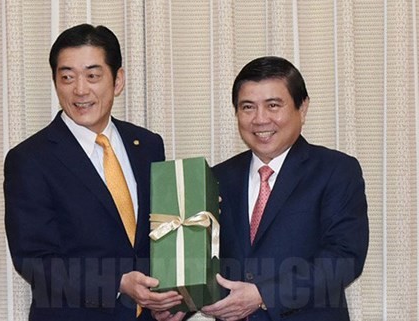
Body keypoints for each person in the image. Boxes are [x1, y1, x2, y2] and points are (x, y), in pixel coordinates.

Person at [154, 56, 369, 321]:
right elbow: (207, 264)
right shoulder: (216, 177)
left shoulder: (336, 170)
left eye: (273, 105)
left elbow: (344, 259)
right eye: (248, 107)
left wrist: (263, 295)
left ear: (302, 109)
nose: (260, 119)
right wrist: (180, 302)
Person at [4, 24, 181, 321]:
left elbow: (162, 235)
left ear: (118, 80)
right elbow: (34, 261)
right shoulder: (30, 159)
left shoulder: (147, 145)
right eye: (67, 77)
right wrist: (118, 282)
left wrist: (176, 302)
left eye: (92, 75)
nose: (80, 89)